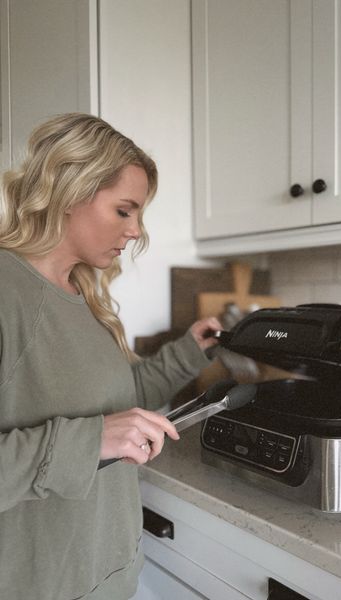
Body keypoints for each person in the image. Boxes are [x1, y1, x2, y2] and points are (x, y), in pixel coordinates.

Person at [0, 113, 221, 600]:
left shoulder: (82, 292)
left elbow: (121, 397)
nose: (137, 230)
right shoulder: (6, 288)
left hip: (107, 574)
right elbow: (99, 431)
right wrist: (90, 440)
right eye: (124, 210)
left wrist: (190, 352)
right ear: (66, 190)